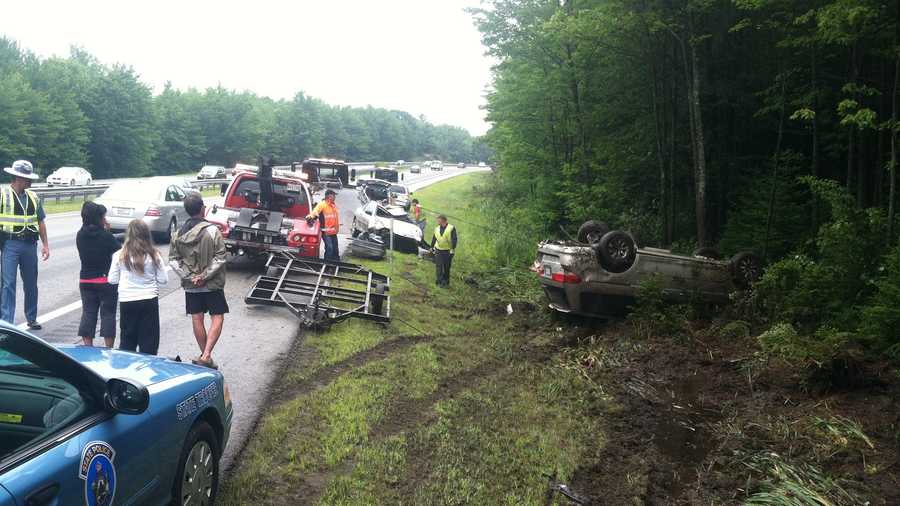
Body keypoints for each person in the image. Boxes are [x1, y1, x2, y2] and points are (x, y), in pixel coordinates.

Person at [169, 193, 228, 369]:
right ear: (202, 208)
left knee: (197, 318)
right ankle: (207, 354)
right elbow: (220, 257)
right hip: (212, 283)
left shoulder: (177, 234)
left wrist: (189, 277)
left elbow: (174, 260)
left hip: (191, 286)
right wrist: (204, 276)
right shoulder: (212, 230)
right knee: (217, 316)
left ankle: (205, 356)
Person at [0, 160, 49, 329]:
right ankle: (6, 322)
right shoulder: (3, 194)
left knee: (30, 283)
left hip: (29, 244)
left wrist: (46, 245)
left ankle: (32, 317)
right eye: (28, 179)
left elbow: (41, 221)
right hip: (10, 244)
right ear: (18, 178)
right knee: (8, 284)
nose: (30, 182)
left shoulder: (33, 196)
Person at [108, 220, 167, 355]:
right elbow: (163, 280)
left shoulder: (119, 255)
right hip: (149, 300)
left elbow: (112, 280)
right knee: (149, 342)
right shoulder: (154, 255)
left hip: (127, 300)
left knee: (127, 340)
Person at [76, 202, 120, 347]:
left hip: (85, 280)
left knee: (88, 313)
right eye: (103, 217)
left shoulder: (80, 235)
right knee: (108, 314)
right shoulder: (106, 236)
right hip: (105, 280)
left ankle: (88, 347)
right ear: (98, 218)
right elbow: (119, 252)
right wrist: (108, 231)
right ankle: (108, 348)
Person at [307, 189, 340, 262]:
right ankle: (327, 265)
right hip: (326, 232)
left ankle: (335, 264)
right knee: (329, 248)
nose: (335, 197)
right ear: (329, 196)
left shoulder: (333, 205)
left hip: (333, 232)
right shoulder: (322, 204)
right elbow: (315, 211)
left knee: (335, 249)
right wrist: (310, 217)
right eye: (334, 195)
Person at [430, 214, 457, 287]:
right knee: (438, 266)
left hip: (448, 251)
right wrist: (431, 247)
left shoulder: (451, 228)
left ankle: (445, 282)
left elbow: (454, 239)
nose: (437, 221)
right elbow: (434, 237)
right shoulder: (437, 228)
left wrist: (452, 248)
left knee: (446, 267)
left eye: (438, 219)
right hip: (438, 249)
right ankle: (439, 281)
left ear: (442, 220)